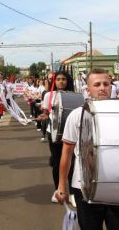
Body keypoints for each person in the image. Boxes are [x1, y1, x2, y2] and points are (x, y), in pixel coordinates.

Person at [56, 69, 119, 230]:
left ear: (111, 87)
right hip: (84, 187)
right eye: (97, 84)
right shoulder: (77, 115)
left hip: (116, 185)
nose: (102, 88)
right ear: (88, 89)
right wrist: (62, 186)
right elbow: (67, 153)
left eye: (106, 84)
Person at [37, 70, 76, 205]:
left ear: (68, 81)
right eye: (58, 79)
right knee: (56, 161)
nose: (61, 81)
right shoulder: (49, 95)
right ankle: (58, 190)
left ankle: (72, 192)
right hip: (53, 133)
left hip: (70, 134)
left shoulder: (74, 96)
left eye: (64, 79)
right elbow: (46, 113)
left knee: (72, 162)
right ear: (54, 81)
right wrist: (43, 116)